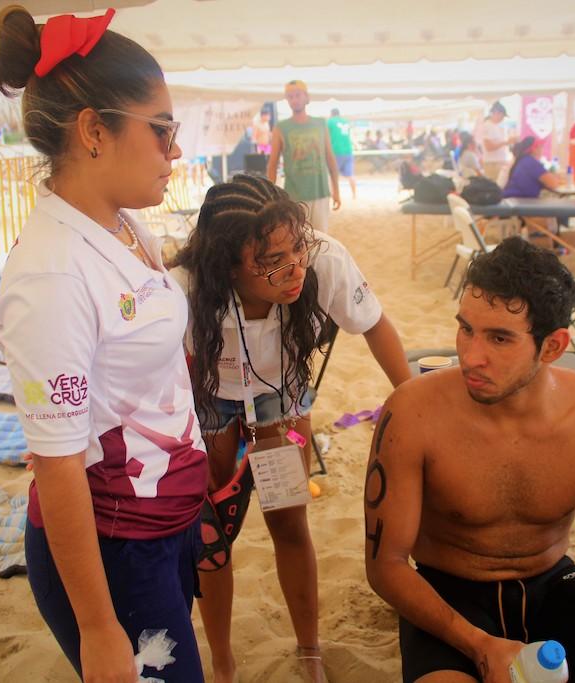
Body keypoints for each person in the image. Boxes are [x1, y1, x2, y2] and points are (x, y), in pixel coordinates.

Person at [0, 6, 208, 683]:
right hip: (114, 549)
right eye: (163, 129)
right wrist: (98, 626)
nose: (174, 151)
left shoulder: (122, 224)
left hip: (161, 520)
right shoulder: (51, 275)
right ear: (93, 131)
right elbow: (57, 467)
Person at [365, 237, 575, 683]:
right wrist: (480, 646)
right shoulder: (412, 412)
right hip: (448, 599)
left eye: (500, 338)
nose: (470, 356)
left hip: (556, 584)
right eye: (466, 328)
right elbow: (385, 566)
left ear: (553, 346)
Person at [172, 173, 411, 683]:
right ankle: (222, 660)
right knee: (215, 537)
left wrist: (414, 401)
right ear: (226, 265)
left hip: (285, 402)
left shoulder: (324, 258)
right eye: (271, 261)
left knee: (288, 520)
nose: (293, 268)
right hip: (211, 401)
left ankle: (309, 649)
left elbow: (374, 324)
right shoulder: (185, 288)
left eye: (296, 246)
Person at [268, 80, 340, 231]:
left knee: (321, 239)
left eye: (297, 95)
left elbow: (330, 157)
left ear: (306, 97)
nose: (294, 99)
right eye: (290, 96)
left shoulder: (321, 124)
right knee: (298, 241)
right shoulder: (281, 128)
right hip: (294, 196)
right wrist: (271, 195)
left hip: (320, 191)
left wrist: (336, 190)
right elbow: (272, 163)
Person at [474, 101, 512, 183]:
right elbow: (489, 147)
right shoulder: (488, 126)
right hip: (493, 164)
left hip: (498, 162)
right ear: (496, 113)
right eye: (502, 116)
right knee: (495, 187)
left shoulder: (496, 126)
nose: (502, 118)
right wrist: (506, 142)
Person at [327, 108, 358, 200]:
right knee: (351, 175)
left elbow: (326, 135)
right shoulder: (346, 122)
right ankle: (354, 195)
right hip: (348, 151)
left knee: (332, 175)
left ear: (331, 114)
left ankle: (334, 195)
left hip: (336, 151)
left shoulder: (330, 121)